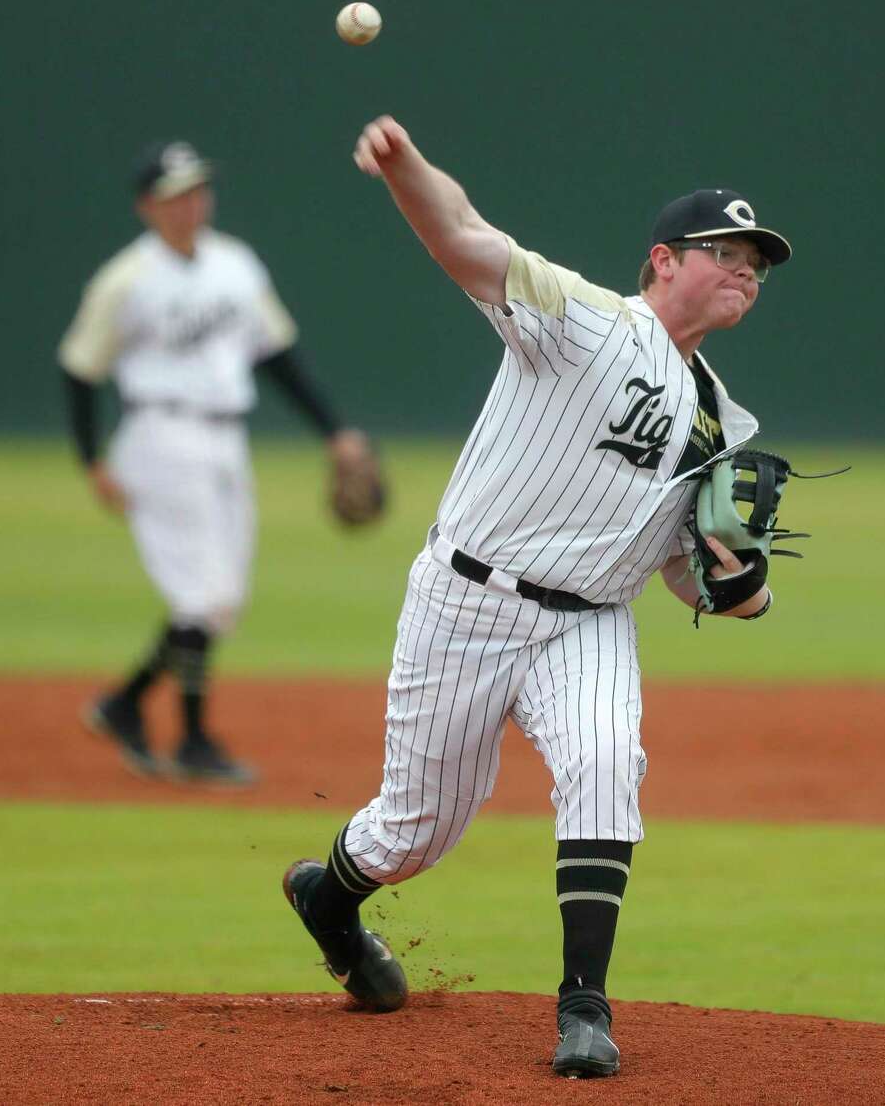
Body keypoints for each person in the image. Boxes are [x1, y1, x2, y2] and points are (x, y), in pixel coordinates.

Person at [282, 116, 791, 1076]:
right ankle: (330, 897)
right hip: (465, 603)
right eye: (724, 252)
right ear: (663, 261)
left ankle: (584, 1013)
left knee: (606, 760)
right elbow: (463, 235)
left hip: (589, 622)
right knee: (416, 827)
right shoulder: (587, 320)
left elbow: (692, 574)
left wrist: (743, 582)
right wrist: (404, 167)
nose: (745, 270)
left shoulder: (723, 419)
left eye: (757, 262)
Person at [59, 140, 382, 786]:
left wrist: (334, 431)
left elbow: (277, 356)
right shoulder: (126, 280)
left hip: (224, 438)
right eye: (177, 194)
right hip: (159, 436)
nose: (192, 203)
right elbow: (80, 367)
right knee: (202, 597)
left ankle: (124, 704)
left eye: (199, 189)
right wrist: (93, 460)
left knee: (219, 600)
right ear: (149, 206)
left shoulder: (235, 265)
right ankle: (194, 740)